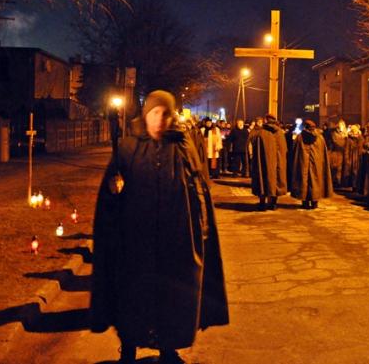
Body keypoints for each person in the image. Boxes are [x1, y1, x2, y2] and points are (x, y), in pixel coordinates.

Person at [91, 90, 229, 364]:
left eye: (166, 114)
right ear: (146, 115)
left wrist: (200, 228)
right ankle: (128, 349)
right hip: (136, 238)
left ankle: (168, 349)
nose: (160, 119)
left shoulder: (183, 148)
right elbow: (110, 193)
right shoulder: (128, 148)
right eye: (155, 113)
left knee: (172, 296)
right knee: (133, 295)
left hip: (174, 238)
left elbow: (198, 189)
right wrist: (113, 226)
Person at [291, 119, 334, 209]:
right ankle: (315, 202)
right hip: (317, 164)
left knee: (304, 181)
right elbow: (323, 153)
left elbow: (295, 151)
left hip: (303, 163)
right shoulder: (320, 138)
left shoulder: (300, 137)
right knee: (316, 181)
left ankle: (305, 202)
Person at [250, 114, 288, 210]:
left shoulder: (261, 133)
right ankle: (273, 204)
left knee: (262, 179)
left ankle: (262, 203)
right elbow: (284, 149)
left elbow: (257, 150)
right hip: (278, 163)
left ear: (266, 120)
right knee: (276, 180)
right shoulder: (280, 133)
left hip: (264, 163)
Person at [327, 119, 348, 188]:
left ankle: (341, 181)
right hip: (336, 152)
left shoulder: (345, 134)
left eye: (343, 125)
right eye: (341, 125)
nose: (342, 126)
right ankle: (335, 181)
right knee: (336, 168)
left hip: (343, 153)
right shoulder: (334, 133)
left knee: (342, 168)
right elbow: (335, 142)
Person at [343, 124, 363, 190]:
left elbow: (361, 147)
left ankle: (357, 186)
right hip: (351, 157)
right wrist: (346, 158)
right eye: (353, 130)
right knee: (352, 172)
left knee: (358, 172)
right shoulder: (349, 139)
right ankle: (353, 186)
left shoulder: (360, 138)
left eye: (355, 130)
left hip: (358, 157)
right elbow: (346, 149)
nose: (354, 131)